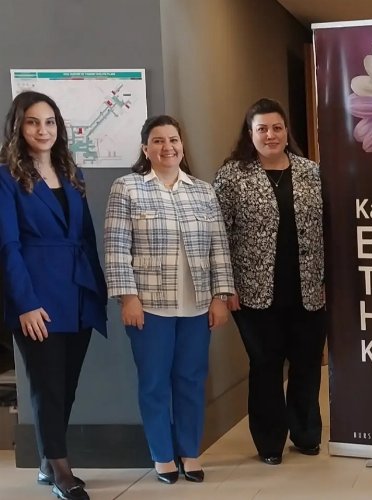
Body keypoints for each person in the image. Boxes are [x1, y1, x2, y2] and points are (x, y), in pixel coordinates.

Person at [104, 115, 234, 484]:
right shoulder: (127, 188)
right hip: (149, 307)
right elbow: (116, 248)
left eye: (173, 140)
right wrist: (127, 297)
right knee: (154, 383)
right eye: (158, 141)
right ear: (146, 149)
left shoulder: (202, 191)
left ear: (182, 145)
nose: (168, 147)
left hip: (197, 306)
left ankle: (189, 452)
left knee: (191, 380)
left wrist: (220, 296)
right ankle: (162, 456)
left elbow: (219, 248)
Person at [0, 91, 107, 500]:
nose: (42, 130)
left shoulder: (70, 171)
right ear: (18, 126)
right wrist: (25, 304)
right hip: (38, 296)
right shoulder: (6, 177)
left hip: (78, 293)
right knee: (47, 385)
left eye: (49, 122)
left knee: (67, 384)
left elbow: (86, 236)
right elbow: (7, 246)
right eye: (32, 122)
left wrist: (98, 290)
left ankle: (49, 458)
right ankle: (61, 471)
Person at [213, 98, 325, 465]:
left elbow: (328, 228)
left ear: (287, 131)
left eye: (277, 128)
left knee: (307, 364)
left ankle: (306, 434)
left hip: (309, 289)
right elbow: (218, 234)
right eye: (262, 129)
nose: (270, 135)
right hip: (253, 294)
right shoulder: (232, 176)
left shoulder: (311, 172)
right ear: (250, 134)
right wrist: (225, 287)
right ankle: (269, 442)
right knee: (266, 365)